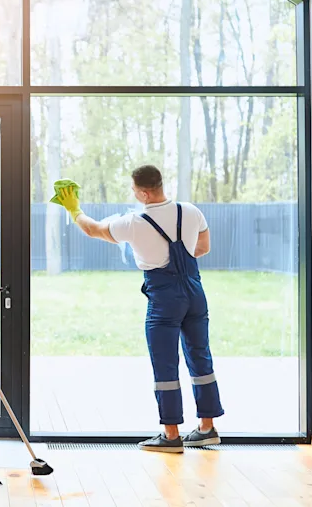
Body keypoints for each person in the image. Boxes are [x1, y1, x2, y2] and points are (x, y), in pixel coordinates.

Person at [54, 165, 224, 452]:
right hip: (195, 292)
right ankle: (207, 428)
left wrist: (74, 209)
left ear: (144, 193)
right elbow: (202, 248)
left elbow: (93, 230)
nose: (134, 196)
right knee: (200, 358)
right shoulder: (191, 211)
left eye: (135, 191)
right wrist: (180, 261)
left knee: (165, 363)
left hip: (164, 298)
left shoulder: (134, 222)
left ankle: (171, 435)